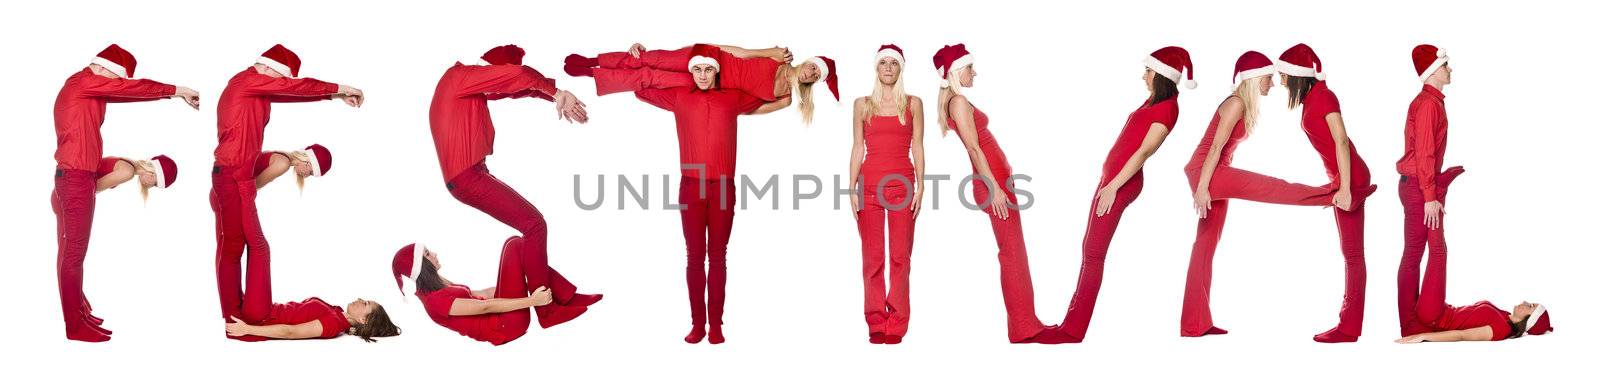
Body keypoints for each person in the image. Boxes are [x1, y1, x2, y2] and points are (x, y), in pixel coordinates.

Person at [426, 44, 601, 335]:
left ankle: (563, 295)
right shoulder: (458, 77)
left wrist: (552, 97)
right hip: (467, 177)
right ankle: (548, 310)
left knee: (527, 235)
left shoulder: (466, 83)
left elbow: (515, 89)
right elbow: (519, 77)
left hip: (470, 175)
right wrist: (557, 93)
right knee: (534, 225)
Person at [1179, 51, 1345, 337]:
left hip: (1214, 172)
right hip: (1208, 172)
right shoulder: (1234, 103)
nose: (1273, 83)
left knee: (1205, 246)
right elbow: (1215, 148)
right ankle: (1332, 194)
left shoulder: (1245, 105)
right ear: (1254, 79)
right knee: (1271, 187)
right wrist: (1203, 189)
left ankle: (1195, 323)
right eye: (1269, 77)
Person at [212, 44, 366, 330]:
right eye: (311, 172)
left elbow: (290, 93)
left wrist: (334, 95)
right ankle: (231, 318)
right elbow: (296, 87)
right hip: (233, 177)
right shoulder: (247, 80)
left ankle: (235, 315)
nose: (306, 176)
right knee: (236, 248)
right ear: (270, 69)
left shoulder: (255, 87)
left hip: (235, 176)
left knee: (237, 246)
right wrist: (343, 86)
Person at [53, 44, 200, 342]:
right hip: (75, 179)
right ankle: (75, 326)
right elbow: (132, 89)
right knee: (73, 257)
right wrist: (179, 89)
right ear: (106, 69)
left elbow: (128, 93)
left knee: (70, 255)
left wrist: (169, 95)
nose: (117, 85)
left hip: (78, 177)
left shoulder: (88, 86)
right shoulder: (84, 82)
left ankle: (79, 311)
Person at [934, 44, 1070, 344]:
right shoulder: (958, 102)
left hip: (997, 181)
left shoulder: (958, 100)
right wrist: (994, 187)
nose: (975, 72)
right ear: (957, 71)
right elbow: (974, 148)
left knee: (1014, 253)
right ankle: (1024, 328)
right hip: (991, 184)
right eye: (970, 68)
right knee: (1012, 254)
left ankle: (1025, 323)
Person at [1058, 46, 1194, 342]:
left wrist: (1113, 186)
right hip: (1112, 181)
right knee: (1088, 250)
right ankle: (1068, 323)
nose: (1143, 76)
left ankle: (1072, 330)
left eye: (1148, 70)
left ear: (1160, 75)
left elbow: (1145, 151)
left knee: (1093, 255)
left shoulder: (1168, 107)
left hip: (1120, 184)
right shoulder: (1153, 102)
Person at [1276, 43, 1377, 343]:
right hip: (1341, 179)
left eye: (1284, 74)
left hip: (1351, 179)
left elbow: (1341, 141)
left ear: (1297, 75)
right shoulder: (1312, 98)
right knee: (1351, 254)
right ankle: (1348, 325)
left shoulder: (1323, 95)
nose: (1281, 79)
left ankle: (1348, 327)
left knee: (1353, 255)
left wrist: (1345, 187)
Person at [847, 44, 925, 344]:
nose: (888, 68)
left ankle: (898, 321)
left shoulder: (914, 104)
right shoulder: (862, 105)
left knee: (901, 257)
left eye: (894, 63)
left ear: (900, 68)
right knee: (873, 259)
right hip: (867, 188)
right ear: (876, 68)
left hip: (903, 188)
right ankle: (876, 320)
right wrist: (850, 188)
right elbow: (857, 147)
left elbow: (917, 145)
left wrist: (921, 185)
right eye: (883, 63)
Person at [564, 42, 836, 123]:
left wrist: (713, 102)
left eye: (816, 76)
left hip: (708, 84)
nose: (811, 73)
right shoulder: (780, 57)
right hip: (711, 57)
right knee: (656, 57)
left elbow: (746, 109)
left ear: (814, 83)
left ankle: (593, 75)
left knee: (652, 77)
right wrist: (767, 52)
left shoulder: (785, 99)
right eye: (814, 67)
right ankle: (593, 60)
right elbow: (741, 53)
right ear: (808, 60)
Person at [391, 240, 568, 345]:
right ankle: (552, 307)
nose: (434, 254)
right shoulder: (434, 300)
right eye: (428, 254)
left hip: (504, 317)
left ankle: (560, 298)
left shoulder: (437, 285)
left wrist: (526, 282)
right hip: (505, 327)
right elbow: (485, 307)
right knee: (514, 245)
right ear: (421, 267)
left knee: (515, 243)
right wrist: (532, 300)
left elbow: (482, 293)